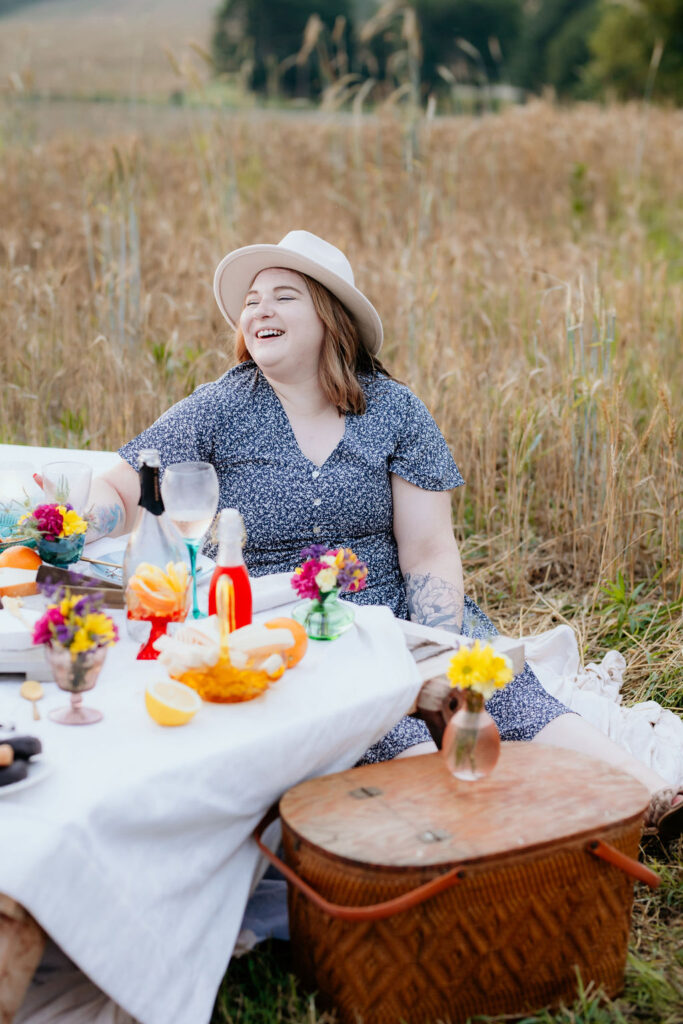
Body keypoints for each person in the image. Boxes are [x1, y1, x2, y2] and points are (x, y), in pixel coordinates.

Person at [85, 229, 681, 839]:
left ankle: (649, 794)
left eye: (283, 296)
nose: (259, 308)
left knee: (501, 693)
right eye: (252, 300)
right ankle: (486, 844)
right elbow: (121, 489)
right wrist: (78, 522)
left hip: (399, 613)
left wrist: (438, 645)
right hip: (286, 630)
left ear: (329, 316)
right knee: (388, 735)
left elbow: (428, 549)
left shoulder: (393, 410)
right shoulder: (218, 407)